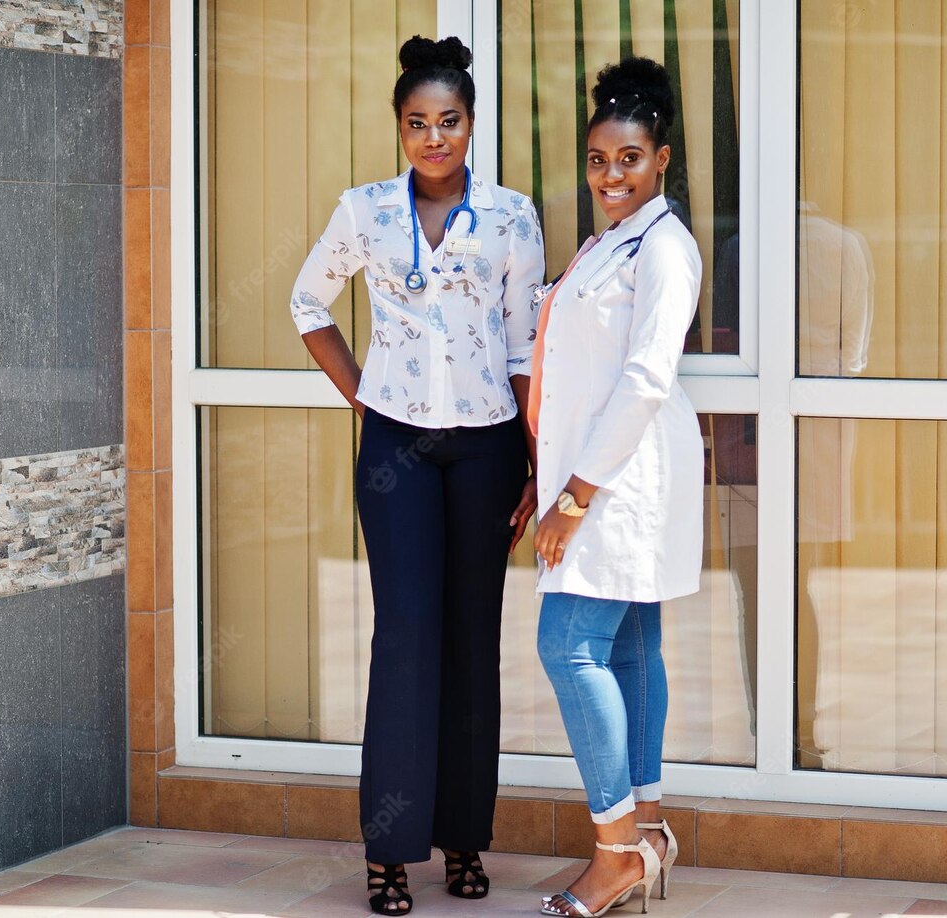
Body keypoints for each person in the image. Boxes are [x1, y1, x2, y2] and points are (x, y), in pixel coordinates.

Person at [286, 35, 545, 916]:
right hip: (396, 448)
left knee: (473, 639)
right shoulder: (364, 213)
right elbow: (308, 302)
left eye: (449, 121)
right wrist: (364, 397)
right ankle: (389, 852)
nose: (434, 137)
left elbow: (520, 346)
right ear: (399, 129)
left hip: (486, 447)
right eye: (417, 124)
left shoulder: (511, 217)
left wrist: (534, 459)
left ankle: (466, 841)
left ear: (472, 124)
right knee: (403, 640)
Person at [529, 57, 703, 917]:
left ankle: (613, 855)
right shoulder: (609, 243)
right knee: (630, 650)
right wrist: (547, 478)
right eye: (599, 161)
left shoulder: (666, 247)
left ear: (662, 158)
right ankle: (650, 831)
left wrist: (574, 498)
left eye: (629, 159)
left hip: (621, 480)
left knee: (567, 646)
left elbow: (642, 379)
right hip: (598, 475)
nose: (612, 176)